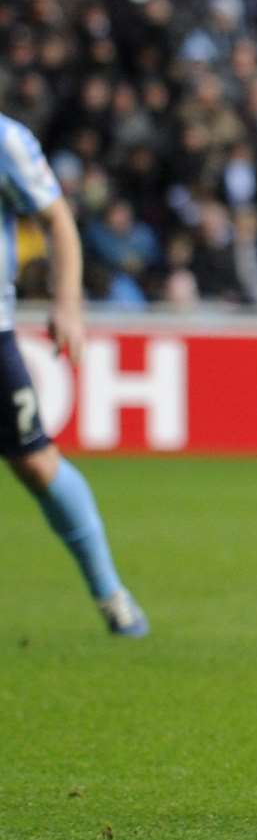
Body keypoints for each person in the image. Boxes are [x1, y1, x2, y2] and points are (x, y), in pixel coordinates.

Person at [0, 113, 148, 637]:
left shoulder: (6, 141)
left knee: (36, 464)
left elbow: (58, 219)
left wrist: (67, 304)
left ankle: (110, 593)